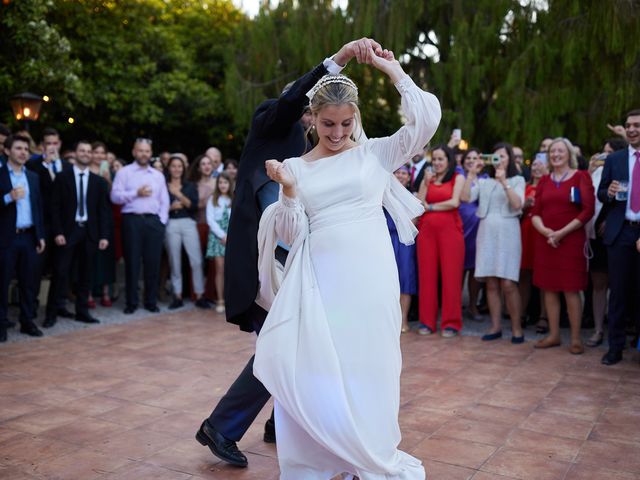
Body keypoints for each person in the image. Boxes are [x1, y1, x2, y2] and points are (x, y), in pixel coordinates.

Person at [252, 46, 441, 479]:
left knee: (373, 363)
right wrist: (288, 190)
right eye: (327, 124)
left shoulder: (376, 154)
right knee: (319, 368)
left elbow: (426, 122)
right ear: (312, 120)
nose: (337, 133)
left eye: (345, 123)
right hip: (321, 281)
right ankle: (323, 457)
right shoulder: (296, 167)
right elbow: (288, 232)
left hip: (371, 276)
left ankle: (367, 452)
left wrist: (391, 68)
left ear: (356, 118)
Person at [195, 38, 381, 469]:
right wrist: (338, 60)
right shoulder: (269, 120)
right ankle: (222, 426)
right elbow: (291, 98)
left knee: (291, 344)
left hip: (294, 265)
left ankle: (278, 424)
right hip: (261, 267)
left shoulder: (306, 143)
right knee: (282, 346)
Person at [531, 137, 595, 354]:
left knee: (571, 289)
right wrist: (546, 231)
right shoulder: (544, 181)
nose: (556, 155)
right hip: (547, 241)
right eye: (552, 152)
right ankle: (554, 334)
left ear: (569, 154)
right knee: (548, 288)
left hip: (570, 241)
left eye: (560, 151)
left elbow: (587, 210)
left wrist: (561, 233)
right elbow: (535, 213)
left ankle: (576, 339)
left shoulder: (581, 177)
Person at [461, 142, 525, 343]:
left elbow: (517, 204)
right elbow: (464, 198)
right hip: (486, 232)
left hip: (508, 232)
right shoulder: (484, 182)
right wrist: (471, 174)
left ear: (510, 159)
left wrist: (504, 182)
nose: (499, 160)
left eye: (503, 156)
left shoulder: (517, 180)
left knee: (507, 283)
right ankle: (495, 326)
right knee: (490, 282)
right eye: (495, 156)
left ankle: (516, 328)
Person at [45, 140, 111, 327]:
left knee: (86, 274)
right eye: (82, 150)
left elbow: (103, 211)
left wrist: (104, 235)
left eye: (88, 151)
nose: (85, 153)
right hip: (67, 232)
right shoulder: (62, 177)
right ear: (75, 153)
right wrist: (57, 231)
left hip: (89, 233)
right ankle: (51, 313)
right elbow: (54, 207)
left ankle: (82, 311)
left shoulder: (98, 182)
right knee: (60, 272)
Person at [598, 109, 640, 365]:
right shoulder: (615, 160)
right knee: (618, 293)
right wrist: (610, 192)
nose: (632, 129)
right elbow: (602, 194)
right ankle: (615, 348)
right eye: (629, 125)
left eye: (637, 125)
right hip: (620, 231)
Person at [110, 138, 169, 314]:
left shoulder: (158, 175)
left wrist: (162, 221)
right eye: (140, 150)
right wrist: (135, 193)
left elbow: (164, 200)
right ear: (134, 152)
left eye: (147, 151)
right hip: (132, 221)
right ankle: (131, 302)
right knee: (132, 263)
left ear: (151, 154)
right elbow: (114, 196)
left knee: (153, 263)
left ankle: (150, 301)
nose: (144, 154)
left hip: (153, 222)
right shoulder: (124, 173)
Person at [415, 145, 465, 337]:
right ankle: (427, 322)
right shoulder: (428, 178)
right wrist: (426, 184)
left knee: (451, 276)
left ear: (449, 160)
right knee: (426, 276)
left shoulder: (457, 177)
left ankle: (451, 323)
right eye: (434, 159)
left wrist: (432, 206)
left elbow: (454, 202)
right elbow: (419, 204)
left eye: (440, 159)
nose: (436, 163)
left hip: (451, 232)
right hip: (427, 231)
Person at [0, 135, 46, 342]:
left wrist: (41, 235)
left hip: (29, 236)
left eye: (26, 149)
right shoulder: (0, 175)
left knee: (29, 283)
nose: (23, 152)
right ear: (7, 151)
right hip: (7, 237)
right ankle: (1, 325)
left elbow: (38, 208)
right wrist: (8, 197)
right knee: (2, 282)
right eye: (18, 148)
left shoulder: (33, 177)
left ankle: (27, 321)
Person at [585, 138, 627, 347]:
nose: (604, 157)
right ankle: (598, 329)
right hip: (595, 235)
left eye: (609, 153)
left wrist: (610, 220)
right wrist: (589, 171)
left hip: (618, 233)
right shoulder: (595, 173)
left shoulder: (627, 170)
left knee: (620, 285)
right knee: (598, 283)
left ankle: (620, 331)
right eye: (602, 152)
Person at [26, 127, 72, 318]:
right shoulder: (33, 167)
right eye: (48, 144)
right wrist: (45, 165)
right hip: (43, 227)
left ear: (59, 144)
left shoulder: (68, 167)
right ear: (42, 146)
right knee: (36, 270)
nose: (52, 147)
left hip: (63, 227)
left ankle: (57, 306)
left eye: (55, 143)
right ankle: (31, 308)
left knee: (61, 270)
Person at [164, 155, 209, 310]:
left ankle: (200, 294)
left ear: (183, 169)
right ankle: (177, 296)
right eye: (173, 166)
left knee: (196, 260)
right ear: (169, 168)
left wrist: (178, 194)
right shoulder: (163, 185)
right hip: (171, 223)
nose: (176, 169)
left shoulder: (189, 185)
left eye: (179, 166)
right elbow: (159, 206)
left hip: (189, 223)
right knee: (174, 261)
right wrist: (171, 208)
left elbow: (193, 205)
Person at [384, 164, 417, 333]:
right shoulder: (382, 194)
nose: (401, 175)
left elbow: (415, 223)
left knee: (405, 279)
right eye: (397, 172)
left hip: (405, 241)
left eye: (404, 173)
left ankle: (403, 319)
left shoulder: (412, 196)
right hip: (385, 239)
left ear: (409, 177)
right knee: (386, 280)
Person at [519, 154, 549, 333]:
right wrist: (524, 206)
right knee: (524, 274)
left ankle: (544, 316)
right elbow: (516, 211)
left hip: (542, 232)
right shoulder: (525, 186)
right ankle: (521, 312)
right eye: (534, 165)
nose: (536, 168)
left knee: (544, 276)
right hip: (525, 231)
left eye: (540, 165)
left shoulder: (550, 185)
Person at [459, 148, 484, 321]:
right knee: (458, 269)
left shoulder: (486, 179)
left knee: (475, 270)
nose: (472, 160)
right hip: (460, 226)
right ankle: (455, 305)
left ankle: (473, 305)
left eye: (475, 158)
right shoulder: (458, 176)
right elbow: (463, 197)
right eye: (469, 158)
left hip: (478, 230)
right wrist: (470, 175)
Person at [205, 172, 234, 314]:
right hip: (218, 237)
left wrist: (231, 236)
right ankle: (220, 299)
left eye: (226, 182)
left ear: (230, 184)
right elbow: (210, 220)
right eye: (220, 182)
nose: (223, 185)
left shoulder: (233, 199)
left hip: (232, 237)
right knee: (220, 268)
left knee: (232, 268)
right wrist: (222, 235)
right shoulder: (212, 199)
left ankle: (232, 299)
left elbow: (236, 219)